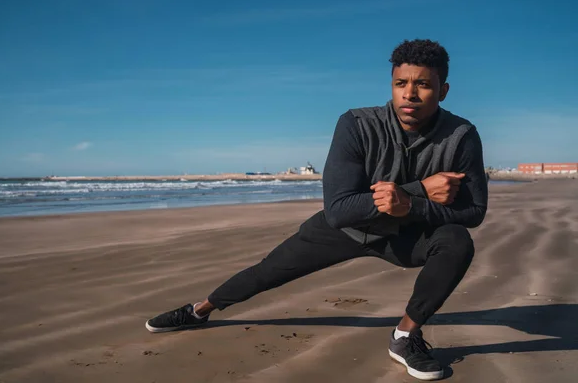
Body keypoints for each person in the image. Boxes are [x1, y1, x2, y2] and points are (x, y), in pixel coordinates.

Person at [145, 39, 488, 381]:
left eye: (423, 85)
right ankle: (200, 310)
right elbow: (338, 210)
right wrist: (419, 191)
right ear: (392, 85)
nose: (409, 94)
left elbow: (473, 211)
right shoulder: (357, 124)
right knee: (267, 272)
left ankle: (404, 337)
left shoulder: (461, 136)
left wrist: (410, 207)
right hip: (347, 228)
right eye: (401, 84)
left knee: (456, 241)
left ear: (442, 91)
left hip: (407, 235)